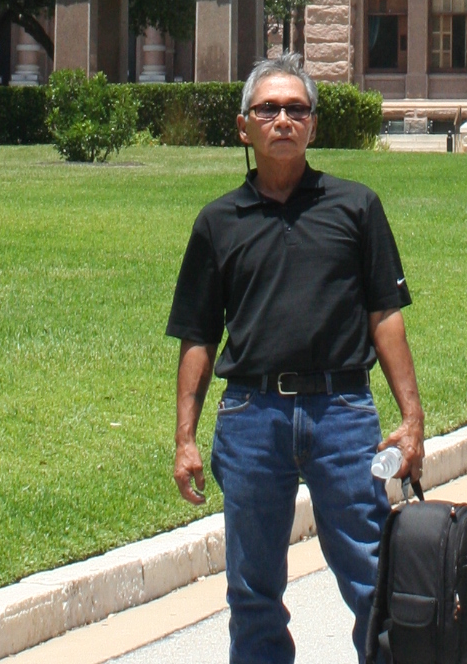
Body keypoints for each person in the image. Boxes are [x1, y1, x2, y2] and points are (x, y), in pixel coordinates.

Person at [169, 54, 425, 663]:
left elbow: (385, 317)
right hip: (251, 419)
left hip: (343, 415)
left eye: (296, 109)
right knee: (253, 591)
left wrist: (412, 420)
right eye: (268, 109)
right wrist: (185, 439)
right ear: (244, 127)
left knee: (372, 580)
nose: (282, 120)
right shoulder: (217, 222)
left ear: (313, 125)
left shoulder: (356, 207)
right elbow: (198, 335)